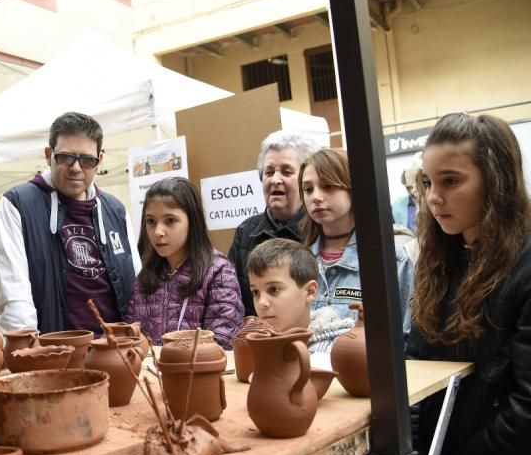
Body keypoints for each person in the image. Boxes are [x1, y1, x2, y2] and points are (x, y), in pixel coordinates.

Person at [406, 112, 531, 455]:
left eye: (451, 181)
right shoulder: (441, 264)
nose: (434, 197)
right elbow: (420, 372)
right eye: (427, 182)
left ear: (496, 181)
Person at [247, 238, 360, 455]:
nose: (262, 303)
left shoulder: (340, 350)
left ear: (310, 291)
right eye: (254, 292)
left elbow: (346, 442)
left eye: (274, 289)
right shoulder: (261, 350)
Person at [0, 111, 140, 335]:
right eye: (66, 157)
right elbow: (14, 292)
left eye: (87, 160)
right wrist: (26, 349)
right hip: (56, 354)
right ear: (48, 155)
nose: (76, 167)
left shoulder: (116, 210)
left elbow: (137, 285)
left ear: (99, 161)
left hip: (115, 351)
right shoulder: (18, 204)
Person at [298, 148, 413, 326]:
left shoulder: (391, 260)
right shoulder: (297, 263)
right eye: (308, 189)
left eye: (328, 186)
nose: (316, 197)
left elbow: (404, 338)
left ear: (352, 188)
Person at [125, 177, 244, 347]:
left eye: (170, 221)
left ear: (192, 221)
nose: (158, 231)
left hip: (199, 371)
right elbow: (132, 337)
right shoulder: (145, 276)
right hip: (149, 372)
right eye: (150, 221)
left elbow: (222, 342)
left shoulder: (218, 272)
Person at [228, 130, 320, 317]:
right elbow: (234, 302)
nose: (275, 180)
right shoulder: (245, 233)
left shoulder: (320, 229)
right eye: (269, 172)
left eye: (286, 172)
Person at [391, 160, 420, 232]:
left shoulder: (431, 202)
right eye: (408, 187)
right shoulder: (396, 205)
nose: (412, 191)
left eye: (413, 187)